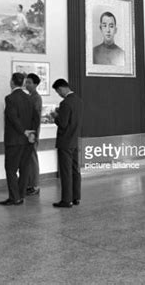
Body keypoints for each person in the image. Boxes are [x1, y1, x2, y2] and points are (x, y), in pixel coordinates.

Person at [0, 73, 39, 206]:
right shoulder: (29, 98)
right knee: (24, 168)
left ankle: (14, 197)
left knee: (10, 169)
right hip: (28, 141)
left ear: (12, 82)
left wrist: (24, 131)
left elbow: (12, 117)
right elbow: (36, 117)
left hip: (14, 141)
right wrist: (32, 133)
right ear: (22, 83)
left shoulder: (9, 98)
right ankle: (21, 195)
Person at [51, 79, 83, 208]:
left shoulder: (65, 103)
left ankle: (66, 200)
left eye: (58, 91)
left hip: (65, 142)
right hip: (75, 140)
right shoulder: (79, 101)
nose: (59, 94)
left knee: (65, 172)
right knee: (75, 170)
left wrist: (55, 116)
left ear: (61, 88)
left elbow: (63, 123)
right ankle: (76, 197)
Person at [25, 73, 42, 196]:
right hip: (27, 133)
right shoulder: (29, 97)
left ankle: (35, 186)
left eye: (30, 82)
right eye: (26, 82)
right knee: (28, 160)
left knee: (33, 159)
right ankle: (29, 184)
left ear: (36, 84)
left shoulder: (36, 98)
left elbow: (35, 118)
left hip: (32, 133)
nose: (27, 84)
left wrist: (33, 134)